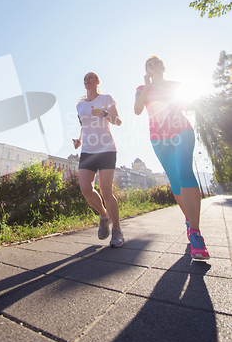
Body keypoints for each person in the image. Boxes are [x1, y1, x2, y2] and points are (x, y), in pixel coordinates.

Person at [134, 56, 209, 260]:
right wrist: (148, 87)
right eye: (149, 64)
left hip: (181, 129)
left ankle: (195, 234)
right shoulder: (142, 88)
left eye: (156, 63)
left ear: (163, 67)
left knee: (185, 172)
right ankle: (189, 219)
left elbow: (188, 105)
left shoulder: (176, 85)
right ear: (147, 71)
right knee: (175, 181)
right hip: (158, 137)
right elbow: (138, 109)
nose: (153, 66)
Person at [73, 72, 124, 247]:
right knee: (85, 188)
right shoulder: (80, 106)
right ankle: (104, 215)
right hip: (87, 150)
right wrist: (79, 140)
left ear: (98, 82)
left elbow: (117, 121)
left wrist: (103, 113)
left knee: (106, 191)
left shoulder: (106, 98)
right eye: (84, 78)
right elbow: (83, 126)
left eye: (90, 78)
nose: (86, 80)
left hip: (106, 149)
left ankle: (117, 230)